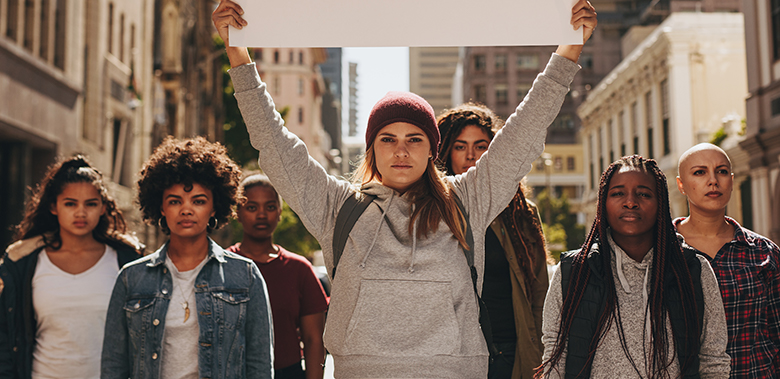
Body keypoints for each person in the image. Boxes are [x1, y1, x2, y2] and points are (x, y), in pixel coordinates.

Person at [213, 0, 596, 376]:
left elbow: (525, 130)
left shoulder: (467, 199)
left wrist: (569, 49)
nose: (400, 150)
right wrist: (237, 53)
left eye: (414, 139)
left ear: (433, 149)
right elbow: (274, 141)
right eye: (387, 139)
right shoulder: (337, 206)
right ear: (371, 149)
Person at [538, 155, 730, 378]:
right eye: (618, 193)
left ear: (661, 203)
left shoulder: (694, 269)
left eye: (644, 194)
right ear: (603, 202)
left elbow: (713, 360)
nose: (630, 202)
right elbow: (554, 358)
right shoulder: (574, 270)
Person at [100, 137, 273, 379]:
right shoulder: (132, 278)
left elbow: (260, 366)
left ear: (214, 208)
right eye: (174, 201)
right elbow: (113, 366)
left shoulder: (245, 275)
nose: (186, 210)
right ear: (161, 207)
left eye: (199, 201)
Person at [0, 155, 142, 379]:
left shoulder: (126, 261)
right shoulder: (24, 263)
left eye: (91, 204)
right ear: (53, 207)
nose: (81, 213)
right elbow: (6, 337)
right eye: (70, 204)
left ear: (103, 207)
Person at [437, 103, 549, 379]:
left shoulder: (522, 212)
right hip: (452, 353)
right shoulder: (432, 211)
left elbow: (539, 291)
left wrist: (542, 353)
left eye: (481, 146)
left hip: (510, 350)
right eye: (460, 146)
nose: (471, 156)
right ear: (445, 152)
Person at [675, 143, 780, 378]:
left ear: (731, 180)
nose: (713, 181)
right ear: (681, 184)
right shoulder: (661, 251)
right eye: (700, 172)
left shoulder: (763, 252)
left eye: (721, 171)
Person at [228, 174, 329, 379]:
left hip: (288, 373)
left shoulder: (299, 269)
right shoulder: (222, 265)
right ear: (237, 212)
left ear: (280, 213)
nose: (262, 214)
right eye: (252, 207)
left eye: (270, 207)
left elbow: (314, 339)